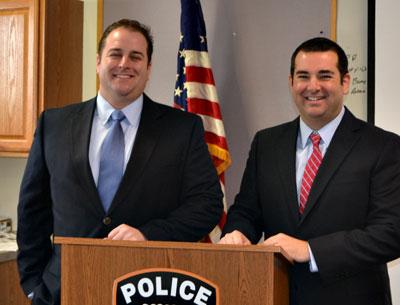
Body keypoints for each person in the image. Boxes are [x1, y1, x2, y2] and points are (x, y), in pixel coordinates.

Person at [17, 19, 223, 305]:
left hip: (149, 288)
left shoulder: (181, 128)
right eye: (116, 54)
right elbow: (32, 210)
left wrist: (147, 235)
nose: (125, 63)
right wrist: (32, 283)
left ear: (148, 69)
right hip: (63, 290)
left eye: (136, 56)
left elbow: (208, 204)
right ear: (99, 61)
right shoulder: (54, 123)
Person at [219, 37, 400, 305]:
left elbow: (391, 232)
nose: (313, 86)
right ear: (291, 82)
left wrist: (311, 250)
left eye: (325, 76)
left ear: (345, 82)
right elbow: (247, 211)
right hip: (275, 295)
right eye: (303, 76)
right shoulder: (266, 143)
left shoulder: (383, 146)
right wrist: (237, 233)